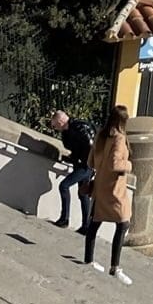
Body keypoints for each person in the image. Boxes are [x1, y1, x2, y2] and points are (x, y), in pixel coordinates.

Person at [83, 105, 134, 284]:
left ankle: (89, 259)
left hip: (100, 186)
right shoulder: (119, 138)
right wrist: (129, 165)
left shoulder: (101, 135)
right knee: (123, 222)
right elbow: (115, 164)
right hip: (114, 189)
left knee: (95, 222)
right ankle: (115, 267)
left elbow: (91, 160)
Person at [48, 110, 94, 230]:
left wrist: (83, 161)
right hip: (83, 164)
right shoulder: (69, 131)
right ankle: (86, 226)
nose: (55, 128)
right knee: (83, 194)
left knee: (64, 186)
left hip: (86, 165)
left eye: (55, 125)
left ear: (60, 121)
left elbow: (90, 146)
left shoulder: (79, 127)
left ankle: (65, 219)